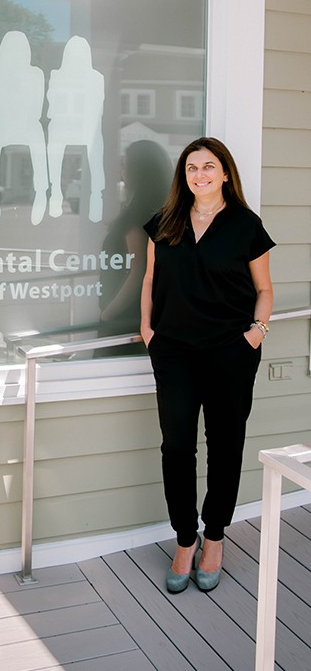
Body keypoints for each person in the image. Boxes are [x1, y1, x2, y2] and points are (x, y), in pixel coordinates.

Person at [140, 137, 274, 593]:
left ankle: (214, 538)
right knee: (176, 448)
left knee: (225, 446)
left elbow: (265, 289)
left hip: (230, 353)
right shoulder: (166, 223)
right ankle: (183, 539)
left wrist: (256, 333)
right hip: (174, 351)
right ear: (185, 176)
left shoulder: (245, 225)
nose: (199, 174)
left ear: (225, 174)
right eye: (192, 168)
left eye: (209, 166)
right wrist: (147, 330)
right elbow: (151, 279)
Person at [96, 140, 172, 356]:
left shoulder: (138, 216)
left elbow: (138, 270)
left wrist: (108, 314)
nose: (121, 171)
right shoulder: (160, 211)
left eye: (125, 165)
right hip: (144, 315)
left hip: (126, 319)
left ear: (138, 172)